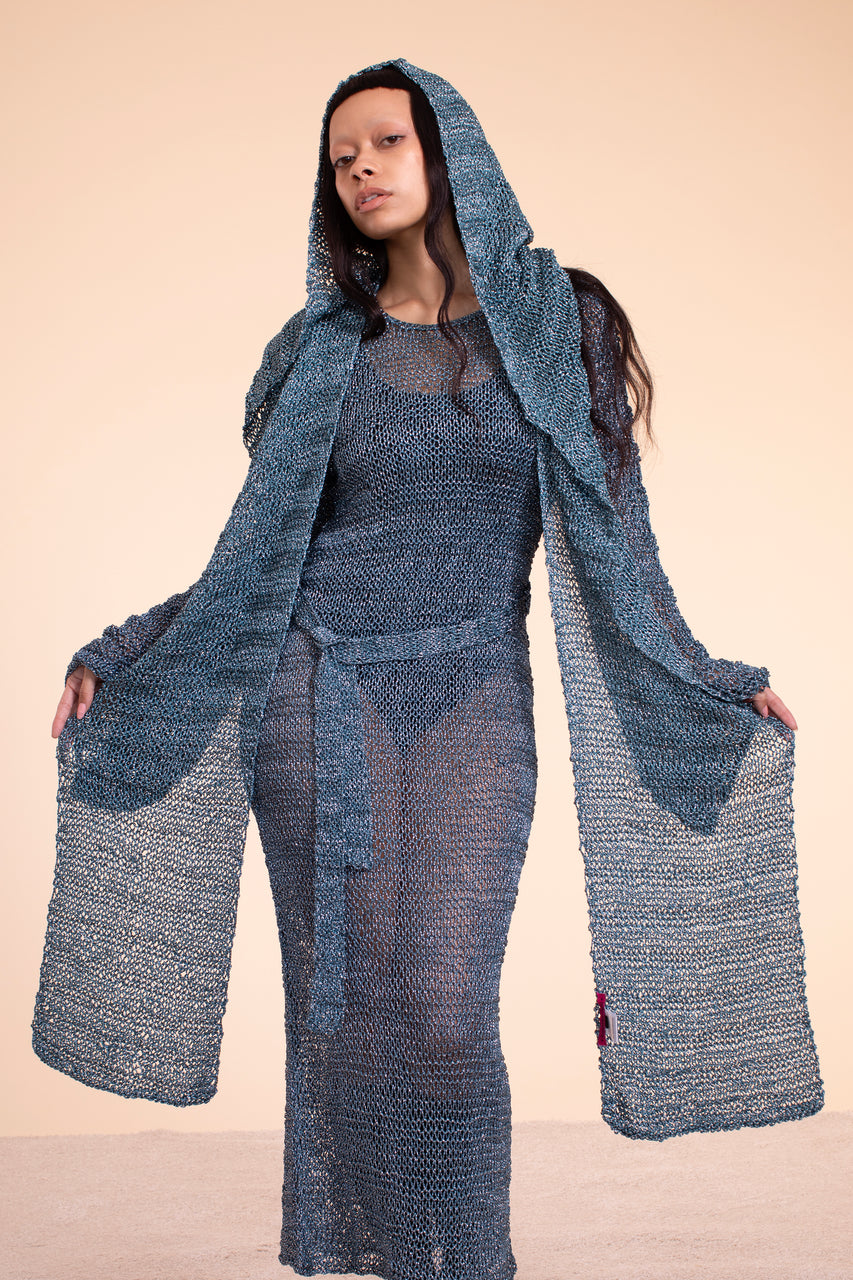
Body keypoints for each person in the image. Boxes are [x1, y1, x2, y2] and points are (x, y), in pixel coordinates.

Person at [37, 59, 821, 1280]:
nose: (360, 169)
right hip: (313, 690)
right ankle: (395, 1257)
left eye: (385, 142)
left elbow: (616, 531)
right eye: (340, 157)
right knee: (349, 1006)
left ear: (449, 149)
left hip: (472, 690)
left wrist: (701, 673)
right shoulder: (319, 351)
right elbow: (256, 549)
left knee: (446, 1006)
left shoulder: (558, 322)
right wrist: (128, 648)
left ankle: (463, 1260)